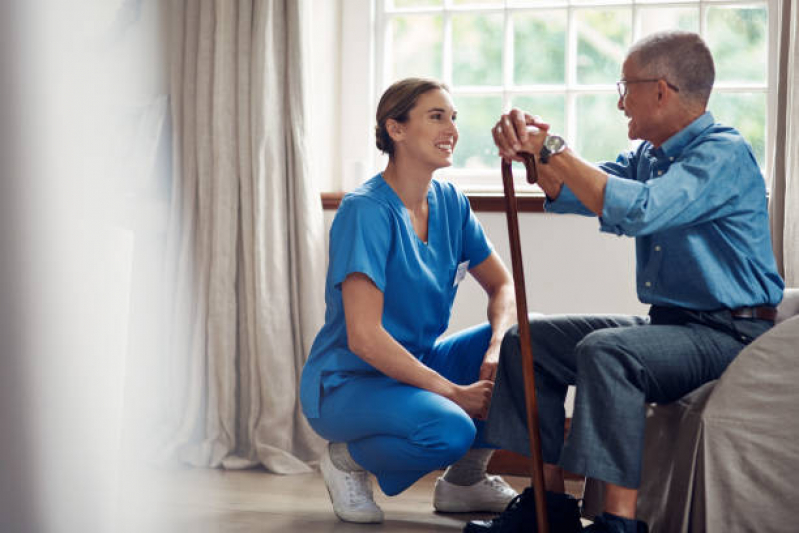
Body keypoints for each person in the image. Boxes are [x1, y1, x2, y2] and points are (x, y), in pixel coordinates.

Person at [466, 31, 784, 533]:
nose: (619, 103)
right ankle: (546, 509)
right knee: (528, 339)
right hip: (673, 327)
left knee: (608, 351)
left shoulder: (722, 153)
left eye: (626, 87)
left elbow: (638, 209)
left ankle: (620, 523)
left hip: (729, 335)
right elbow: (575, 189)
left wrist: (554, 148)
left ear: (661, 89)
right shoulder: (650, 156)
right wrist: (532, 151)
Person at [300, 77, 520, 524]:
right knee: (451, 427)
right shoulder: (365, 211)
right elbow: (364, 338)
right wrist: (455, 393)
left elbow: (504, 286)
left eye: (453, 118)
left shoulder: (451, 202)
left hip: (415, 365)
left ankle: (464, 482)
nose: (452, 128)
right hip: (348, 383)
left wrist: (497, 346)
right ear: (396, 129)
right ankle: (346, 459)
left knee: (526, 342)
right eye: (436, 116)